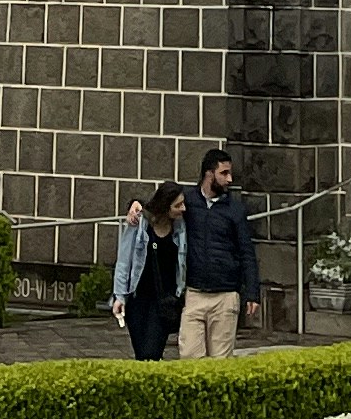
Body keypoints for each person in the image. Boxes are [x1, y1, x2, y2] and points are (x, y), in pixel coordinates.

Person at [177, 147, 262, 356]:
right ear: (209, 174)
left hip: (225, 295)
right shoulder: (187, 201)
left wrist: (252, 292)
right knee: (189, 357)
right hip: (195, 292)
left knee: (220, 362)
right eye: (224, 173)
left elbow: (246, 252)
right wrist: (134, 205)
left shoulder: (235, 209)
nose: (229, 179)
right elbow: (159, 207)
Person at [111, 180, 185, 360]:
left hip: (164, 301)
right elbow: (124, 260)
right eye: (178, 205)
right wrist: (119, 296)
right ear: (166, 207)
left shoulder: (181, 228)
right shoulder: (140, 225)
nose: (183, 208)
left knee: (151, 353)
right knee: (141, 354)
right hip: (138, 299)